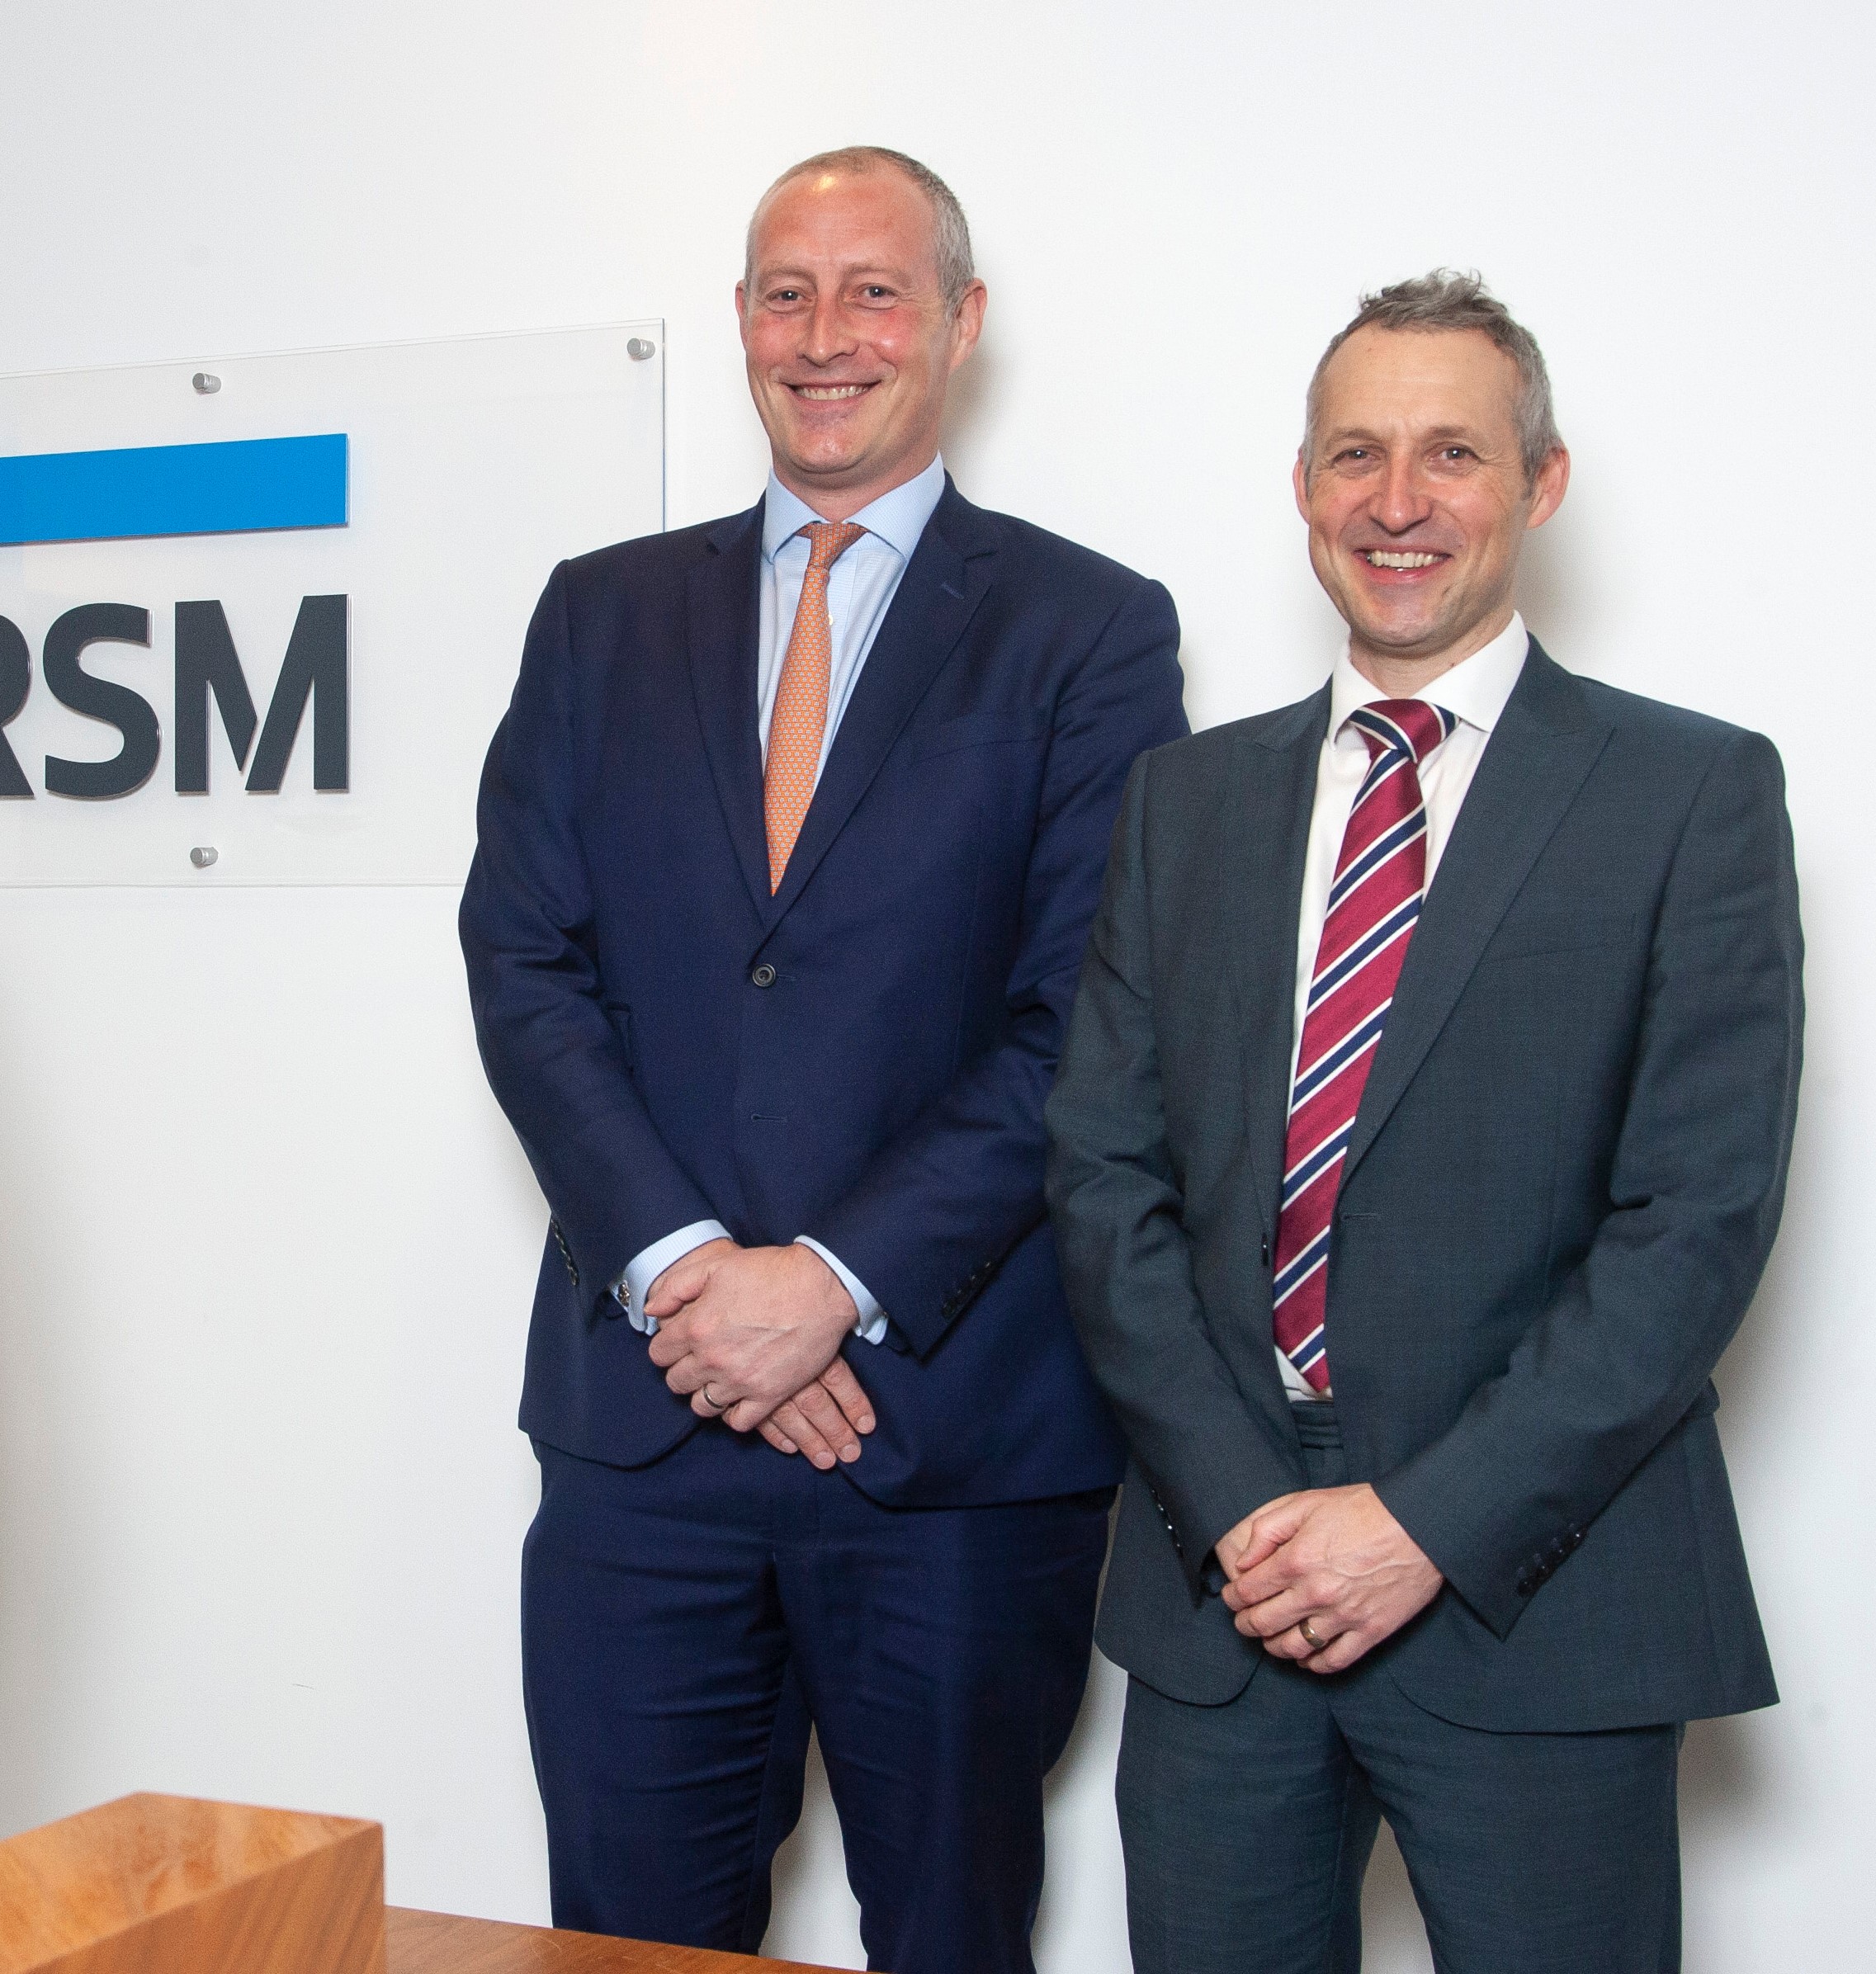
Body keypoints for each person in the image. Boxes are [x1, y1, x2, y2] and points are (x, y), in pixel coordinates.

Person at [459, 147, 1187, 1973]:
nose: (824, 334)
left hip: (949, 1437)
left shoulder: (1090, 629)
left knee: (950, 1937)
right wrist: (693, 1277)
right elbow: (523, 964)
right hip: (646, 1427)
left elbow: (1088, 1012)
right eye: (786, 292)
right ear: (739, 321)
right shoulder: (600, 614)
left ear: (959, 320)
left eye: (873, 291)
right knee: (624, 1946)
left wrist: (831, 1286)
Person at [1046, 272, 1798, 1973]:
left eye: (1451, 452)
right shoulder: (1185, 799)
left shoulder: (1689, 793)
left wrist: (1421, 1526)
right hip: (1221, 1585)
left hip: (1538, 1587)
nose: (1398, 501)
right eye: (1355, 455)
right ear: (1303, 486)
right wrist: (1244, 1506)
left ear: (1540, 482)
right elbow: (1101, 1177)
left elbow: (1693, 1224)